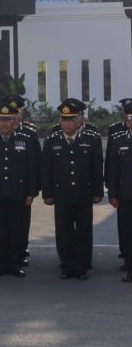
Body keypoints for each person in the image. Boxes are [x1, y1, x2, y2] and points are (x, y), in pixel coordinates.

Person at [41, 99, 104, 280]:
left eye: (70, 120)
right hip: (62, 195)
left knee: (84, 230)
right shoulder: (52, 141)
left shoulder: (91, 140)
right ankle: (67, 265)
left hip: (84, 194)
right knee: (64, 231)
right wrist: (48, 194)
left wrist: (98, 192)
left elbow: (96, 168)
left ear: (79, 121)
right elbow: (46, 170)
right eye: (63, 120)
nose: (66, 123)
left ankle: (83, 266)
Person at [0, 102, 39, 278]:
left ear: (15, 121)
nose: (4, 123)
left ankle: (15, 263)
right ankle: (0, 263)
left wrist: (31, 192)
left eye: (8, 120)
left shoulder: (25, 139)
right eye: (1, 120)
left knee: (17, 229)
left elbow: (31, 169)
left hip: (18, 193)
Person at [105, 101, 132, 281]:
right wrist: (113, 193)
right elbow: (112, 169)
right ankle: (130, 267)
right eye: (129, 118)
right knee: (128, 233)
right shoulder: (120, 139)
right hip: (126, 195)